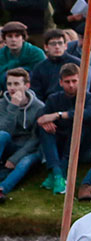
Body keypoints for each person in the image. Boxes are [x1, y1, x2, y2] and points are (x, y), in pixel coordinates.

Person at [36, 64, 91, 196]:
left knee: (80, 123)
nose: (71, 85)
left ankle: (58, 172)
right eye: (67, 82)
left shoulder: (90, 98)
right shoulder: (54, 98)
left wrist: (59, 115)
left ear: (80, 81)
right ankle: (58, 173)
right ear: (61, 82)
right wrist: (43, 122)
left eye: (74, 81)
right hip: (60, 144)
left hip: (83, 147)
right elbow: (41, 117)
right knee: (44, 129)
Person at [0, 68, 43, 203]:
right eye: (9, 84)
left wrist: (15, 158)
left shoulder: (39, 107)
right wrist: (13, 106)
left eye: (17, 84)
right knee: (2, 135)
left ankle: (2, 189)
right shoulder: (3, 104)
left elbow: (36, 138)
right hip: (11, 144)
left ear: (26, 85)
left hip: (29, 148)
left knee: (25, 162)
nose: (12, 88)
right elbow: (5, 131)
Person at [30, 30, 80, 98]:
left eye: (60, 43)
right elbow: (36, 93)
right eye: (53, 44)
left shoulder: (77, 63)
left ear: (65, 46)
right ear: (46, 47)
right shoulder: (39, 68)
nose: (57, 47)